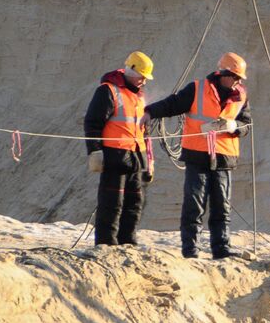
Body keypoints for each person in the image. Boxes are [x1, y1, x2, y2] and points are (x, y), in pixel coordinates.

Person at [144, 52, 252, 259]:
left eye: (240, 78)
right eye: (235, 76)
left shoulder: (241, 95)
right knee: (194, 205)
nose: (238, 81)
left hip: (224, 157)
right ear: (222, 73)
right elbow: (172, 104)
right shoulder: (197, 89)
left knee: (222, 207)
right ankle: (191, 250)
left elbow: (246, 124)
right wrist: (149, 112)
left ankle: (221, 249)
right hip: (197, 155)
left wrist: (233, 126)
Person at [83, 52, 156, 247]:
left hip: (136, 159)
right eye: (141, 76)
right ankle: (107, 244)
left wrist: (149, 161)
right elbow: (92, 122)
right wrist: (95, 151)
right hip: (114, 157)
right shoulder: (108, 91)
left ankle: (128, 242)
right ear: (130, 70)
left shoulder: (139, 97)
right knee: (111, 204)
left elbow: (144, 130)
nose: (143, 81)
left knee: (134, 204)